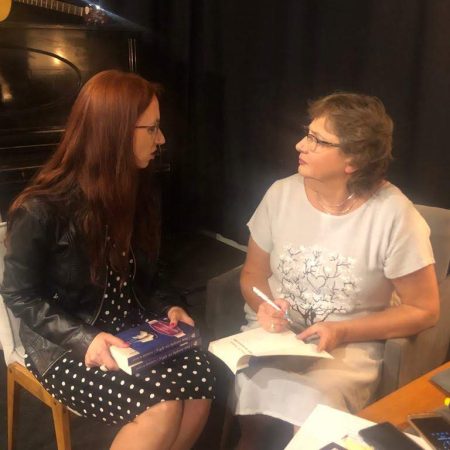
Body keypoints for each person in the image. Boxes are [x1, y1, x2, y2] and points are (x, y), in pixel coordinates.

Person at [1, 70, 215, 450]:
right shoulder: (40, 208)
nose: (161, 139)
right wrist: (84, 338)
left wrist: (170, 305)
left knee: (201, 382)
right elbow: (19, 295)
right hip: (66, 341)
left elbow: (152, 271)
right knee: (161, 406)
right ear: (114, 132)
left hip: (130, 325)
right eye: (152, 129)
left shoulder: (139, 189)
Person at [236, 92, 439, 449]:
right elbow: (252, 274)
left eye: (318, 140)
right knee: (252, 381)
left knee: (317, 401)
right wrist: (263, 307)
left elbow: (424, 309)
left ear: (353, 160)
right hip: (277, 334)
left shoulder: (394, 216)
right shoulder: (281, 194)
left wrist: (342, 331)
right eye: (307, 133)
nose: (301, 145)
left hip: (349, 344)